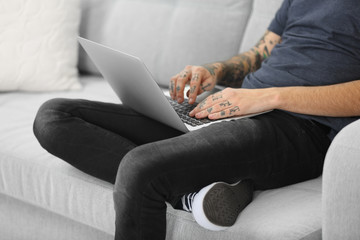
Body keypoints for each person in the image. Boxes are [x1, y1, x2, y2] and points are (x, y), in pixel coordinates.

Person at [33, 0, 360, 239]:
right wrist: (214, 71)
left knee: (141, 167)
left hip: (300, 128)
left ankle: (183, 179)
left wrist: (270, 96)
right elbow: (258, 55)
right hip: (234, 106)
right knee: (55, 115)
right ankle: (191, 193)